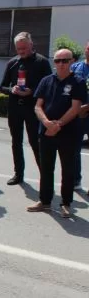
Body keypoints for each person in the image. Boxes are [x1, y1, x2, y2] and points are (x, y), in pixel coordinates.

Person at [27, 48, 87, 218]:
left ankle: (66, 203)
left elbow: (75, 108)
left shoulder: (78, 81)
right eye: (57, 60)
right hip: (46, 131)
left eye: (65, 60)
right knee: (46, 168)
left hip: (68, 133)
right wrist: (46, 123)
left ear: (72, 61)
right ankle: (44, 201)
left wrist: (58, 124)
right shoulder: (46, 80)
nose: (61, 64)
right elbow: (38, 106)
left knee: (68, 169)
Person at [0, 32, 52, 185]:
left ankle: (45, 175)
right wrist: (12, 89)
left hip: (33, 108)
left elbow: (49, 86)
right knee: (16, 141)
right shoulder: (12, 63)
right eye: (18, 49)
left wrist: (32, 91)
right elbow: (2, 86)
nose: (21, 51)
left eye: (24, 48)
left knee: (35, 142)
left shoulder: (42, 62)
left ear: (31, 45)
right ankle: (18, 174)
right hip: (15, 107)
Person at [70, 40, 89, 190]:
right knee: (74, 149)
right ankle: (76, 180)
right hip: (78, 116)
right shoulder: (76, 67)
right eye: (88, 48)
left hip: (85, 110)